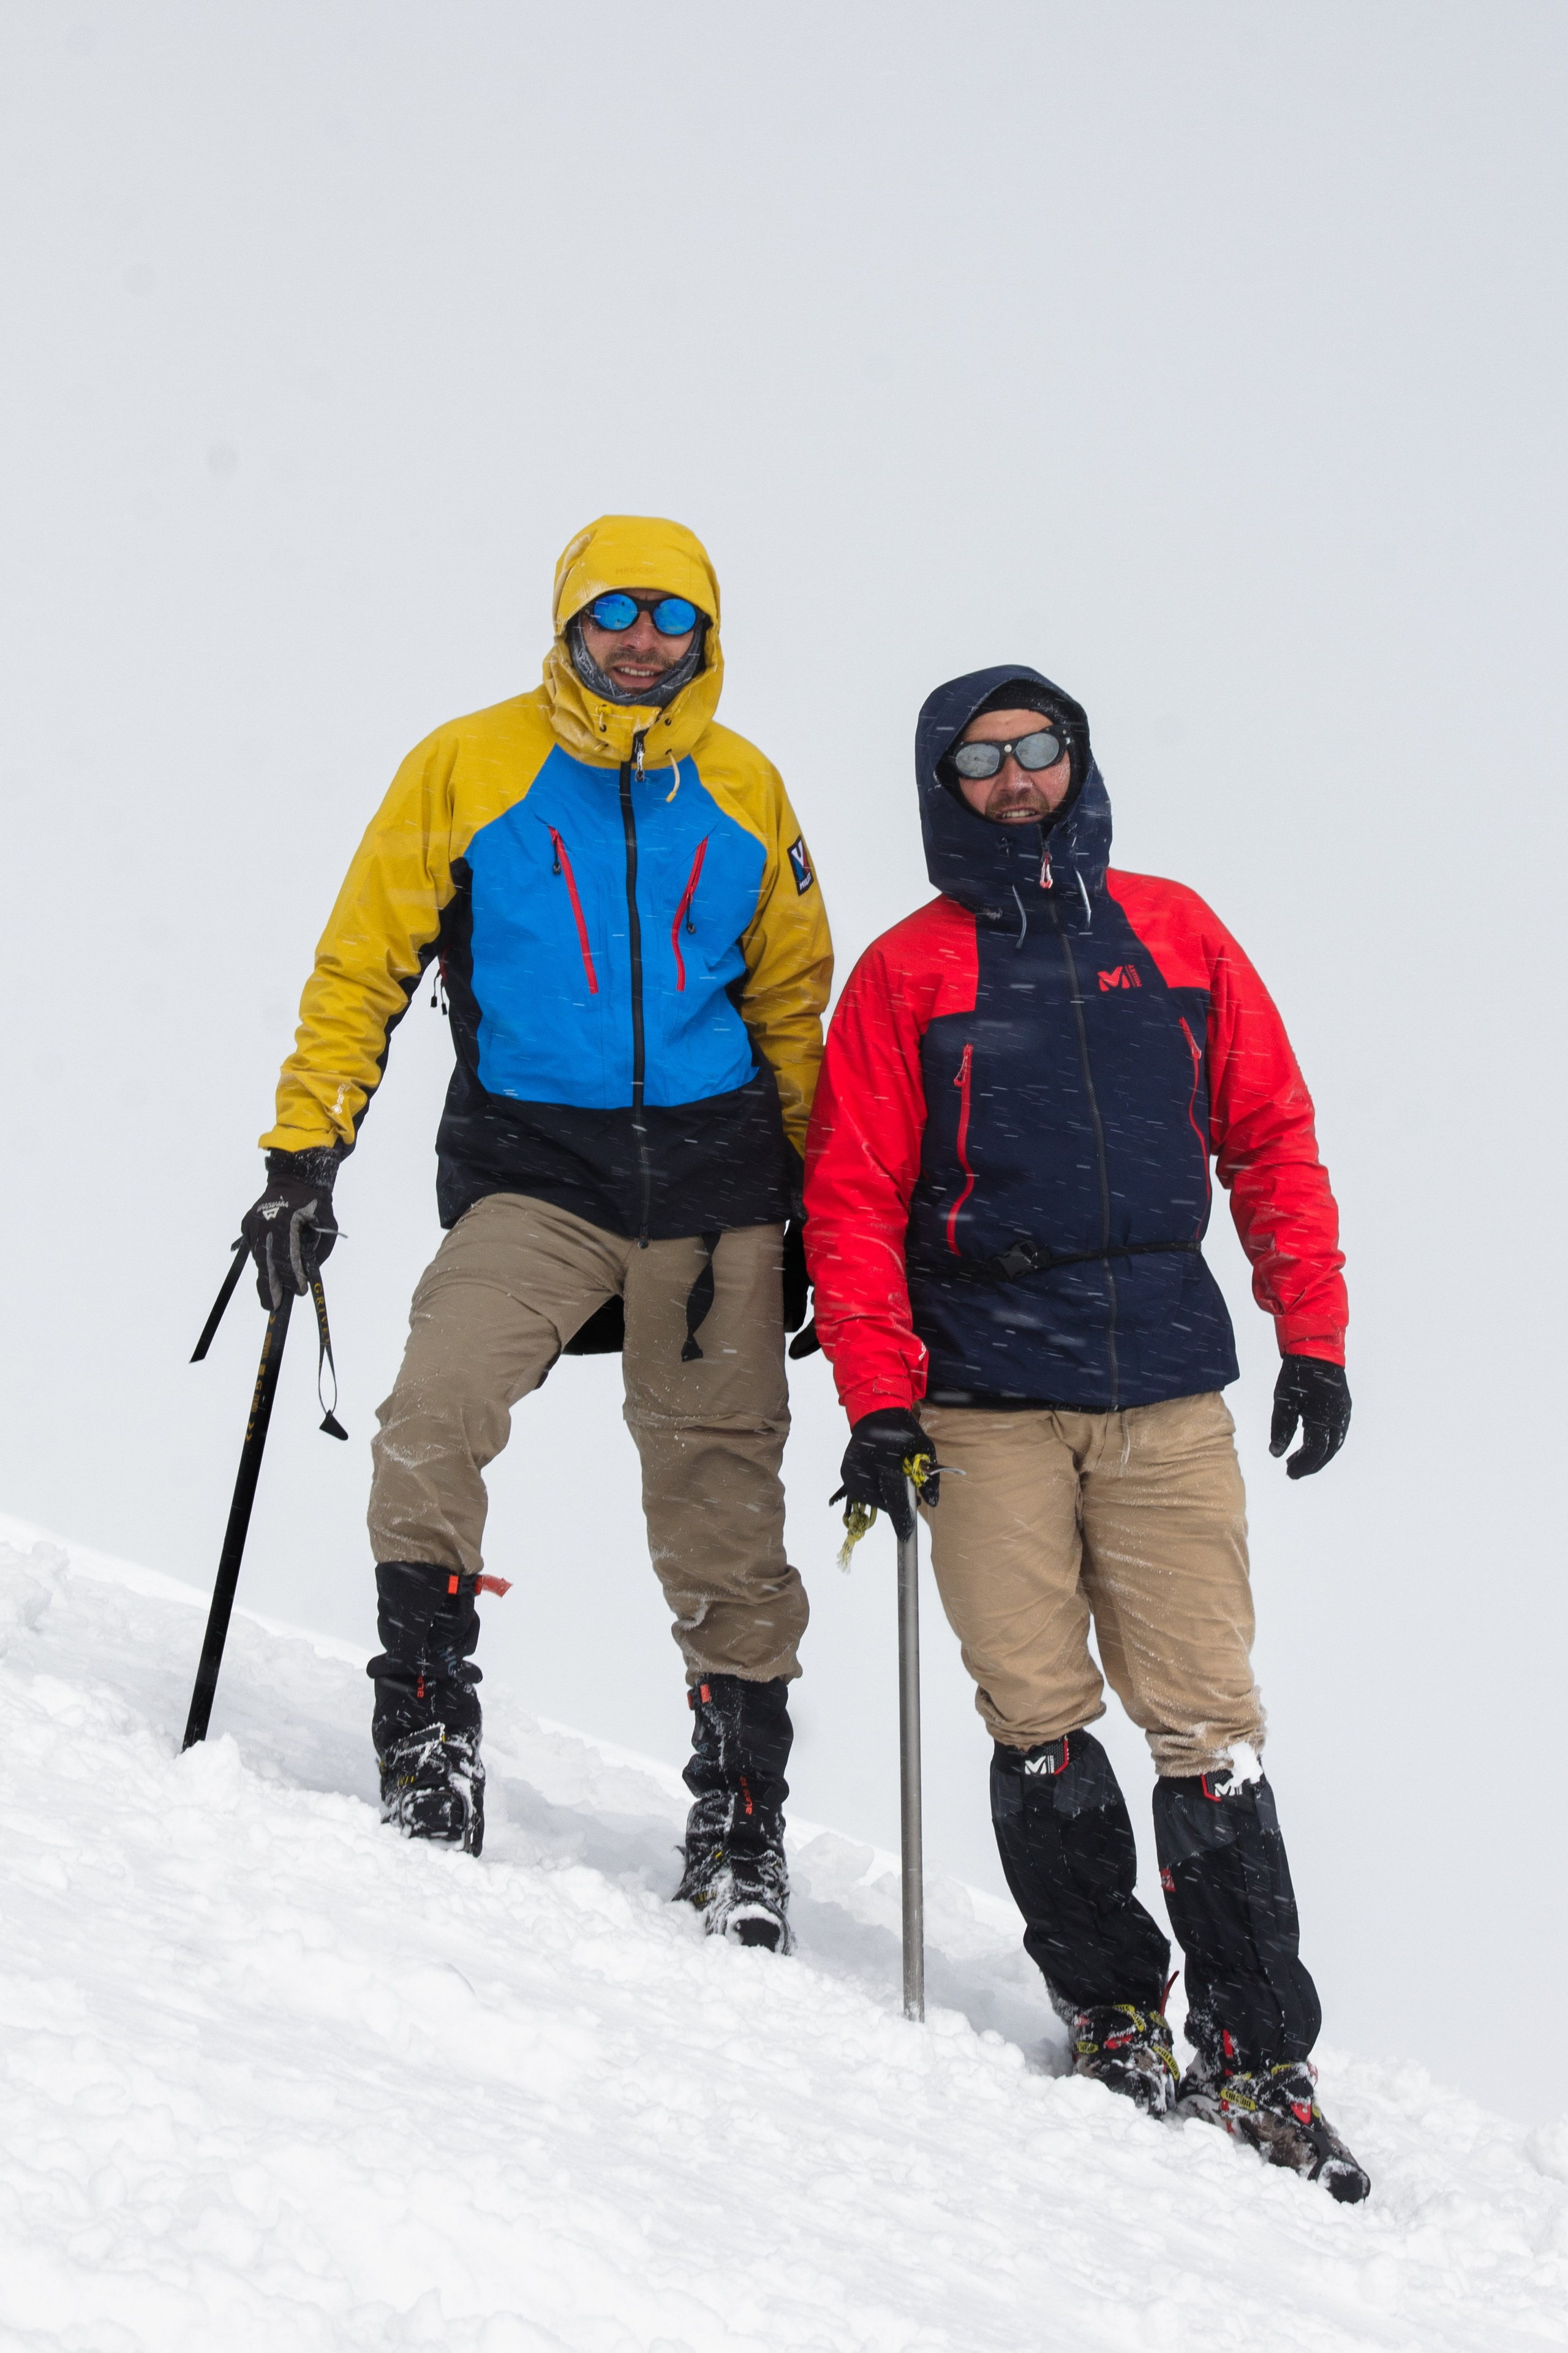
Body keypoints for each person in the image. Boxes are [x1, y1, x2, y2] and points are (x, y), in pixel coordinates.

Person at [803, 663, 1369, 2197]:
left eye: (1034, 749)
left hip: (1165, 1391)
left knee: (1205, 1718)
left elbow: (1266, 1135)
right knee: (1037, 1712)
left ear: (1075, 759)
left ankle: (1260, 2058)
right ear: (943, 785)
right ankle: (1111, 2013)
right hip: (982, 1399)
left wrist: (1305, 1333)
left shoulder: (1176, 935)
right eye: (978, 759)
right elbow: (849, 1194)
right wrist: (876, 1394)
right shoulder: (909, 972)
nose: (1012, 780)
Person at [241, 515, 831, 1952]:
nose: (642, 640)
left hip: (715, 1191)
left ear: (705, 634)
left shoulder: (747, 786)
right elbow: (362, 958)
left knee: (719, 1503)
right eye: (615, 612)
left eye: (671, 617)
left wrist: (824, 1209)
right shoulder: (468, 763)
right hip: (535, 1169)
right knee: (434, 1408)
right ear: (569, 622)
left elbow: (794, 1009)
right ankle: (429, 1731)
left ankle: (739, 1816)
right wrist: (303, 1149)